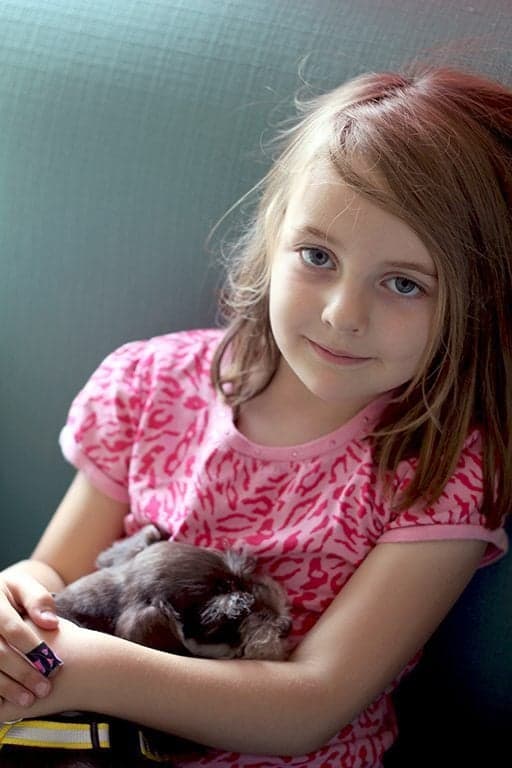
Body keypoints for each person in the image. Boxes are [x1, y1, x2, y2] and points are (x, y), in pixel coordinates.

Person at [0, 64, 511, 768]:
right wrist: (18, 604)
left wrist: (73, 666)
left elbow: (308, 706)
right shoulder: (151, 384)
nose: (343, 315)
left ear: (479, 298)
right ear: (272, 238)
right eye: (317, 255)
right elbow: (54, 575)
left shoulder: (441, 467)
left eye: (404, 283)